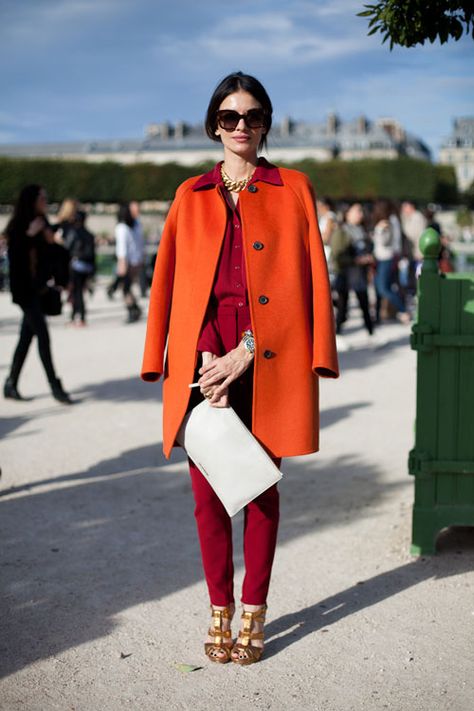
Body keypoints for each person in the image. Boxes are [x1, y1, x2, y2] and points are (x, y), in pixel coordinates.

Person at [141, 72, 339, 665]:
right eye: (229, 117)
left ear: (266, 123)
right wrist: (206, 358)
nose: (241, 127)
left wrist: (246, 351)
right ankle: (218, 608)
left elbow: (307, 286)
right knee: (206, 495)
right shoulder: (190, 194)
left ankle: (254, 610)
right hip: (208, 357)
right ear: (213, 125)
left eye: (252, 116)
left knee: (259, 489)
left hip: (268, 356)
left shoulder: (293, 188)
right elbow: (175, 287)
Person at [3, 184, 72, 403]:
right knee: (42, 335)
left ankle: (11, 383)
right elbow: (14, 258)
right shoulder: (18, 226)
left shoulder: (44, 224)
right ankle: (55, 386)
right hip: (25, 291)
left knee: (26, 338)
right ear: (31, 200)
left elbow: (55, 255)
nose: (45, 201)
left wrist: (51, 241)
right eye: (42, 197)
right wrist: (29, 234)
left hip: (39, 290)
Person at [331, 203, 375, 340]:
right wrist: (356, 260)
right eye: (357, 211)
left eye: (361, 211)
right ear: (347, 213)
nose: (360, 214)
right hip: (345, 273)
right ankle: (337, 335)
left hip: (359, 274)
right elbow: (337, 255)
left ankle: (371, 333)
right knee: (343, 306)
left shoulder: (362, 230)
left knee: (364, 304)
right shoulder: (341, 231)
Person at [372, 199, 410, 324]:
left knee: (384, 288)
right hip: (383, 258)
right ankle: (379, 315)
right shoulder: (391, 221)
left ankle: (403, 310)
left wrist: (378, 231)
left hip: (386, 258)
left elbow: (385, 241)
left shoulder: (386, 223)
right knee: (380, 287)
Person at [64, 210, 96, 326]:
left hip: (76, 265)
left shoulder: (73, 233)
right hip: (87, 267)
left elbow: (67, 248)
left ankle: (79, 317)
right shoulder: (89, 234)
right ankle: (77, 317)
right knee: (80, 292)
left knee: (76, 292)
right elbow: (93, 254)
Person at [114, 203, 142, 323]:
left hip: (126, 261)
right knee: (128, 287)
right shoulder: (135, 226)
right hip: (136, 260)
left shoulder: (121, 228)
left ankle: (132, 309)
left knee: (125, 289)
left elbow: (122, 247)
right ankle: (135, 308)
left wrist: (122, 263)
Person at [129, 200, 147, 297]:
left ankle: (142, 291)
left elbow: (140, 240)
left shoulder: (137, 223)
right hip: (132, 255)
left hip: (138, 254)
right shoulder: (129, 224)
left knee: (140, 273)